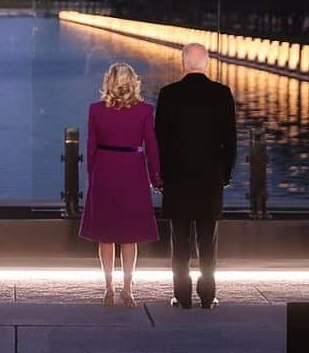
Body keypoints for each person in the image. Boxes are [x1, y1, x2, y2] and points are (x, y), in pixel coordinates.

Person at [155, 43, 237, 310]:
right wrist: (224, 175)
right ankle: (207, 295)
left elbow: (160, 141)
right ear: (207, 63)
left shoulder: (168, 94)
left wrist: (160, 176)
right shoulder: (222, 94)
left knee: (179, 241)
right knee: (207, 241)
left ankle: (182, 295)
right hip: (209, 180)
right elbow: (231, 142)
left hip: (177, 179)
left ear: (183, 63)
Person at [79, 62, 162, 307]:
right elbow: (152, 147)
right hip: (133, 171)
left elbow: (90, 147)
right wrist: (156, 177)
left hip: (105, 170)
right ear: (133, 81)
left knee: (105, 235)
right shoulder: (145, 110)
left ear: (109, 82)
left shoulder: (96, 110)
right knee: (129, 236)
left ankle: (108, 288)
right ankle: (128, 289)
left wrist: (91, 174)